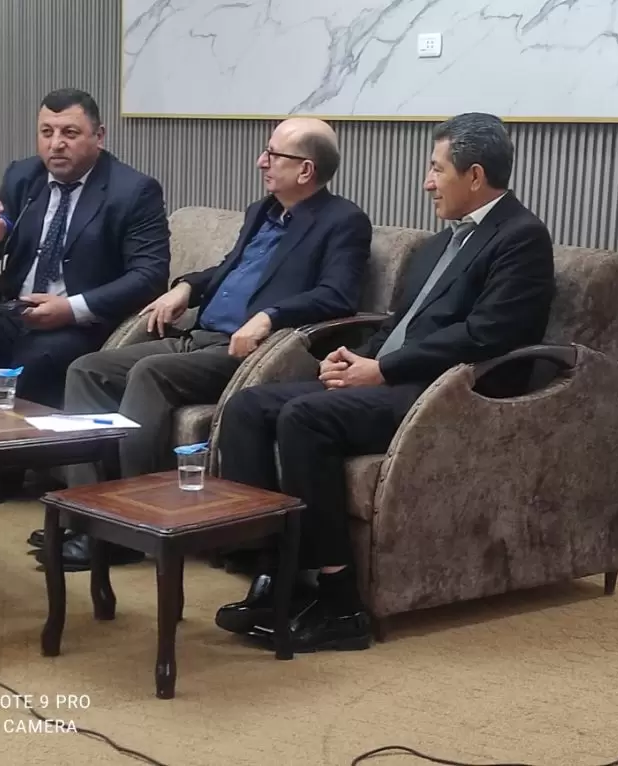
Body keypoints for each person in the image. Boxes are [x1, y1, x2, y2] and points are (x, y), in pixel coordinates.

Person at [212, 112, 557, 652]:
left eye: (436, 169)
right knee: (248, 408)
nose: (426, 182)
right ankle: (276, 573)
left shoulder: (521, 238)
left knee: (305, 418)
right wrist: (357, 358)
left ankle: (340, 603)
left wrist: (383, 370)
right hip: (392, 378)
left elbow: (489, 333)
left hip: (447, 393)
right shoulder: (439, 244)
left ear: (474, 175)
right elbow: (401, 322)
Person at [28, 117, 373, 571]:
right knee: (88, 368)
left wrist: (270, 316)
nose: (261, 161)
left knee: (150, 374)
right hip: (197, 336)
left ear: (306, 170)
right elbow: (228, 270)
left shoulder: (343, 222)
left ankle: (133, 525)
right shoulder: (263, 211)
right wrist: (187, 287)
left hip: (249, 352)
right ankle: (88, 513)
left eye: (272, 154)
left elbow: (338, 295)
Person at [0, 88, 171, 508]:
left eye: (70, 133)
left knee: (37, 355)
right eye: (47, 132)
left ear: (99, 136)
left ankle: (3, 468)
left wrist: (71, 309)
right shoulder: (23, 176)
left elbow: (149, 276)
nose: (56, 144)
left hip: (83, 321)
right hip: (16, 307)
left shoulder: (134, 190)